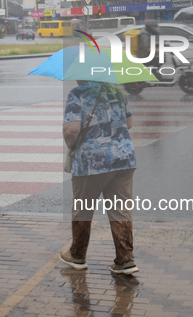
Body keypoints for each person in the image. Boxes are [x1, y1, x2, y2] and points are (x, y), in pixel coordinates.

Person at [60, 81, 138, 275]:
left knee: (83, 208)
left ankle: (77, 254)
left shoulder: (77, 94)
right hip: (123, 158)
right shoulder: (116, 91)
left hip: (92, 162)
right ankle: (125, 259)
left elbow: (71, 130)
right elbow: (129, 123)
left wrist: (72, 145)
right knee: (121, 209)